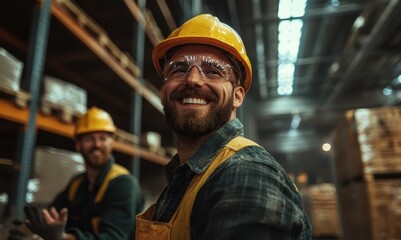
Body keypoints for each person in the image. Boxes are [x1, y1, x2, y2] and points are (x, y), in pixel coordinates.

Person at [135, 14, 312, 240]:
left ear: (238, 96)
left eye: (213, 71)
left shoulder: (246, 175)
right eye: (178, 69)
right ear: (163, 92)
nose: (193, 80)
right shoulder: (187, 177)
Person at [24, 107, 144, 240]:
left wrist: (63, 238)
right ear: (78, 145)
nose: (97, 144)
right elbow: (53, 214)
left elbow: (114, 237)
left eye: (103, 138)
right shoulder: (77, 184)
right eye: (89, 139)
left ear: (111, 143)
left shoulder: (123, 184)